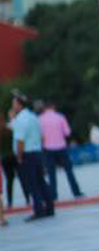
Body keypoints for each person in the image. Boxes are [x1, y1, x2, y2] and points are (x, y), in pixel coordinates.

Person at [9, 92, 55, 221]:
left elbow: (20, 141)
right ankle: (49, 208)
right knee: (41, 181)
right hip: (37, 152)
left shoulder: (21, 119)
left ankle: (38, 210)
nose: (13, 106)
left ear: (19, 104)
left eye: (14, 104)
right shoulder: (33, 117)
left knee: (32, 184)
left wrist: (19, 156)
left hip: (27, 155)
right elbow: (41, 136)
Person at [38, 100, 84, 201]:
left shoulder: (40, 119)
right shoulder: (60, 117)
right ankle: (76, 192)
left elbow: (40, 136)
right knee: (69, 171)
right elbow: (67, 132)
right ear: (53, 106)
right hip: (61, 147)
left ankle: (53, 195)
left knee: (51, 173)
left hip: (48, 148)